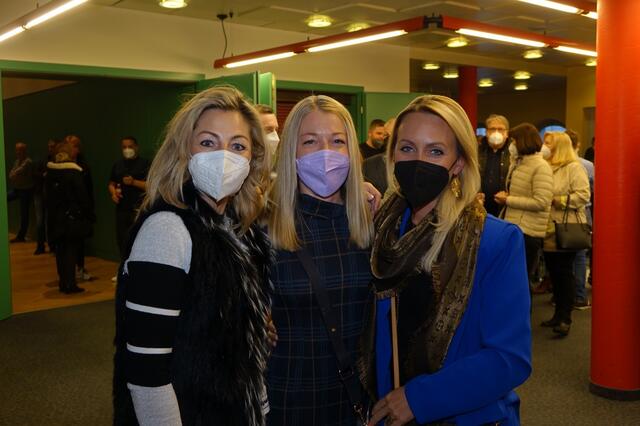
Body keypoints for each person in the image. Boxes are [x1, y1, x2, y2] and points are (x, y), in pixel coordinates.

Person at [361, 95, 531, 425]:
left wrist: (418, 398)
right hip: (385, 410)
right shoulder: (381, 230)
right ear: (392, 155)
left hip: (463, 415)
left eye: (435, 151)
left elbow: (509, 358)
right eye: (407, 148)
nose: (418, 161)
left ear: (459, 163)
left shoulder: (495, 240)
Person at [113, 86, 272, 425]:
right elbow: (146, 373)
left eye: (238, 146)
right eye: (208, 142)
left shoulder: (239, 229)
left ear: (252, 159)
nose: (223, 156)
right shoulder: (167, 230)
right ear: (184, 150)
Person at [266, 95, 373, 425]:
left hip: (361, 399)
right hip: (291, 399)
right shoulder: (264, 228)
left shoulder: (372, 222)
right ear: (291, 152)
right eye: (310, 141)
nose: (326, 152)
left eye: (337, 141)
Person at [540, 131, 590, 336]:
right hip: (547, 227)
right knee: (554, 273)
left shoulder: (574, 167)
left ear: (559, 146)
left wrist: (557, 200)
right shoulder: (545, 166)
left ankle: (565, 317)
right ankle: (557, 315)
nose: (544, 146)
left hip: (565, 227)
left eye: (548, 143)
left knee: (564, 274)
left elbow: (583, 195)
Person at [494, 123, 553, 292]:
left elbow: (541, 202)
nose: (511, 145)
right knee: (511, 279)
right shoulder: (518, 163)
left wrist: (508, 200)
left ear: (522, 141)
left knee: (520, 281)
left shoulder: (541, 167)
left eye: (514, 141)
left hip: (528, 231)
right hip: (514, 226)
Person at [45, 140, 92, 294]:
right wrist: (87, 214)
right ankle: (71, 284)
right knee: (71, 250)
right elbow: (83, 197)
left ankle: (62, 282)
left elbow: (47, 197)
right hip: (71, 219)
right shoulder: (74, 172)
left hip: (55, 218)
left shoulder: (50, 172)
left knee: (60, 251)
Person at [108, 136, 150, 258]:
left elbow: (152, 186)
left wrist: (134, 182)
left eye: (130, 146)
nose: (127, 149)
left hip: (139, 210)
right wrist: (113, 193)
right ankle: (123, 266)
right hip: (122, 209)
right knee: (122, 241)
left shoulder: (145, 164)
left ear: (136, 147)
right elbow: (111, 183)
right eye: (124, 147)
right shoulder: (118, 164)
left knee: (137, 240)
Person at [566, 129, 594, 310]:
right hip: (584, 213)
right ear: (578, 144)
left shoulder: (562, 164)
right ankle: (579, 295)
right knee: (579, 256)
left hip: (566, 213)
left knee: (567, 257)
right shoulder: (588, 165)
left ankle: (568, 295)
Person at [66, 134, 95, 281]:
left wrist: (89, 210)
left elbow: (88, 190)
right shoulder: (60, 167)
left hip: (80, 212)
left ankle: (80, 269)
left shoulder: (84, 167)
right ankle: (68, 273)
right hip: (66, 213)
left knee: (79, 243)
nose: (72, 149)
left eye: (74, 146)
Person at [478, 114, 513, 217]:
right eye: (492, 129)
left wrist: (509, 196)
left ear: (507, 133)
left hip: (504, 208)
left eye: (500, 129)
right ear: (486, 132)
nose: (496, 132)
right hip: (480, 205)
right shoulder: (477, 150)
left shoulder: (513, 152)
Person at [7, 142, 35, 243]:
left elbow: (16, 173)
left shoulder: (28, 162)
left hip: (26, 191)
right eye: (16, 150)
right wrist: (13, 175)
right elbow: (11, 174)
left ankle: (21, 236)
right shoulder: (17, 161)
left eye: (19, 150)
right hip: (17, 189)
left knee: (24, 214)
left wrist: (14, 175)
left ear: (24, 151)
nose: (17, 152)